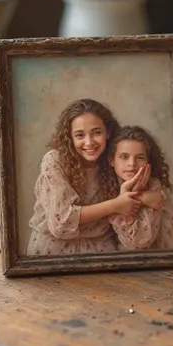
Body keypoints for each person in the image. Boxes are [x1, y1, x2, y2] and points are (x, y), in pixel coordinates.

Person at [27, 98, 142, 256]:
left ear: (108, 132)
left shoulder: (116, 158)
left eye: (97, 133)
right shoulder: (55, 161)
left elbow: (133, 194)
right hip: (53, 250)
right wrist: (115, 205)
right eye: (80, 135)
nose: (89, 142)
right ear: (70, 137)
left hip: (102, 249)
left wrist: (148, 197)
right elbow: (62, 222)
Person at [108, 125, 173, 250]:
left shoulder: (154, 188)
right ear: (111, 160)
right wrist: (139, 196)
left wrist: (137, 194)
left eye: (140, 157)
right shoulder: (106, 184)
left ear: (148, 162)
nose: (132, 164)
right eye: (124, 157)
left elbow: (138, 244)